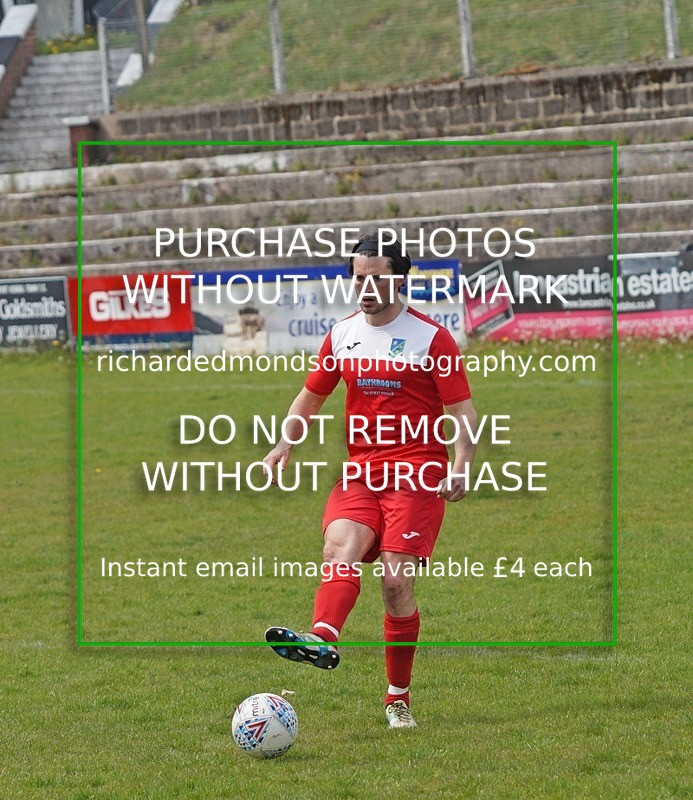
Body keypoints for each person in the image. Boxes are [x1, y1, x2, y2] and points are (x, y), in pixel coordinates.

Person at [264, 231, 477, 728]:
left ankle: (397, 698)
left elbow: (463, 412)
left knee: (395, 581)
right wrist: (285, 442)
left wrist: (462, 464)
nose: (365, 288)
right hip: (361, 471)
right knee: (340, 547)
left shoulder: (432, 338)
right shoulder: (342, 333)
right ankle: (321, 638)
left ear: (399, 279)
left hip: (418, 473)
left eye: (376, 278)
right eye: (359, 278)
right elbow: (311, 396)